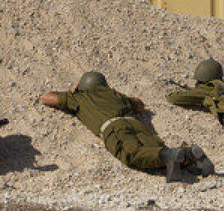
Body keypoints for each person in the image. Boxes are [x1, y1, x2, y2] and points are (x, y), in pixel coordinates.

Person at [39, 71, 214, 182]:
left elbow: (46, 98)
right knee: (153, 153)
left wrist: (72, 90)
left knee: (133, 155)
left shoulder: (80, 97)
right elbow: (139, 105)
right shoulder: (115, 94)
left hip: (114, 128)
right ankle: (188, 156)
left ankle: (172, 155)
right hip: (136, 124)